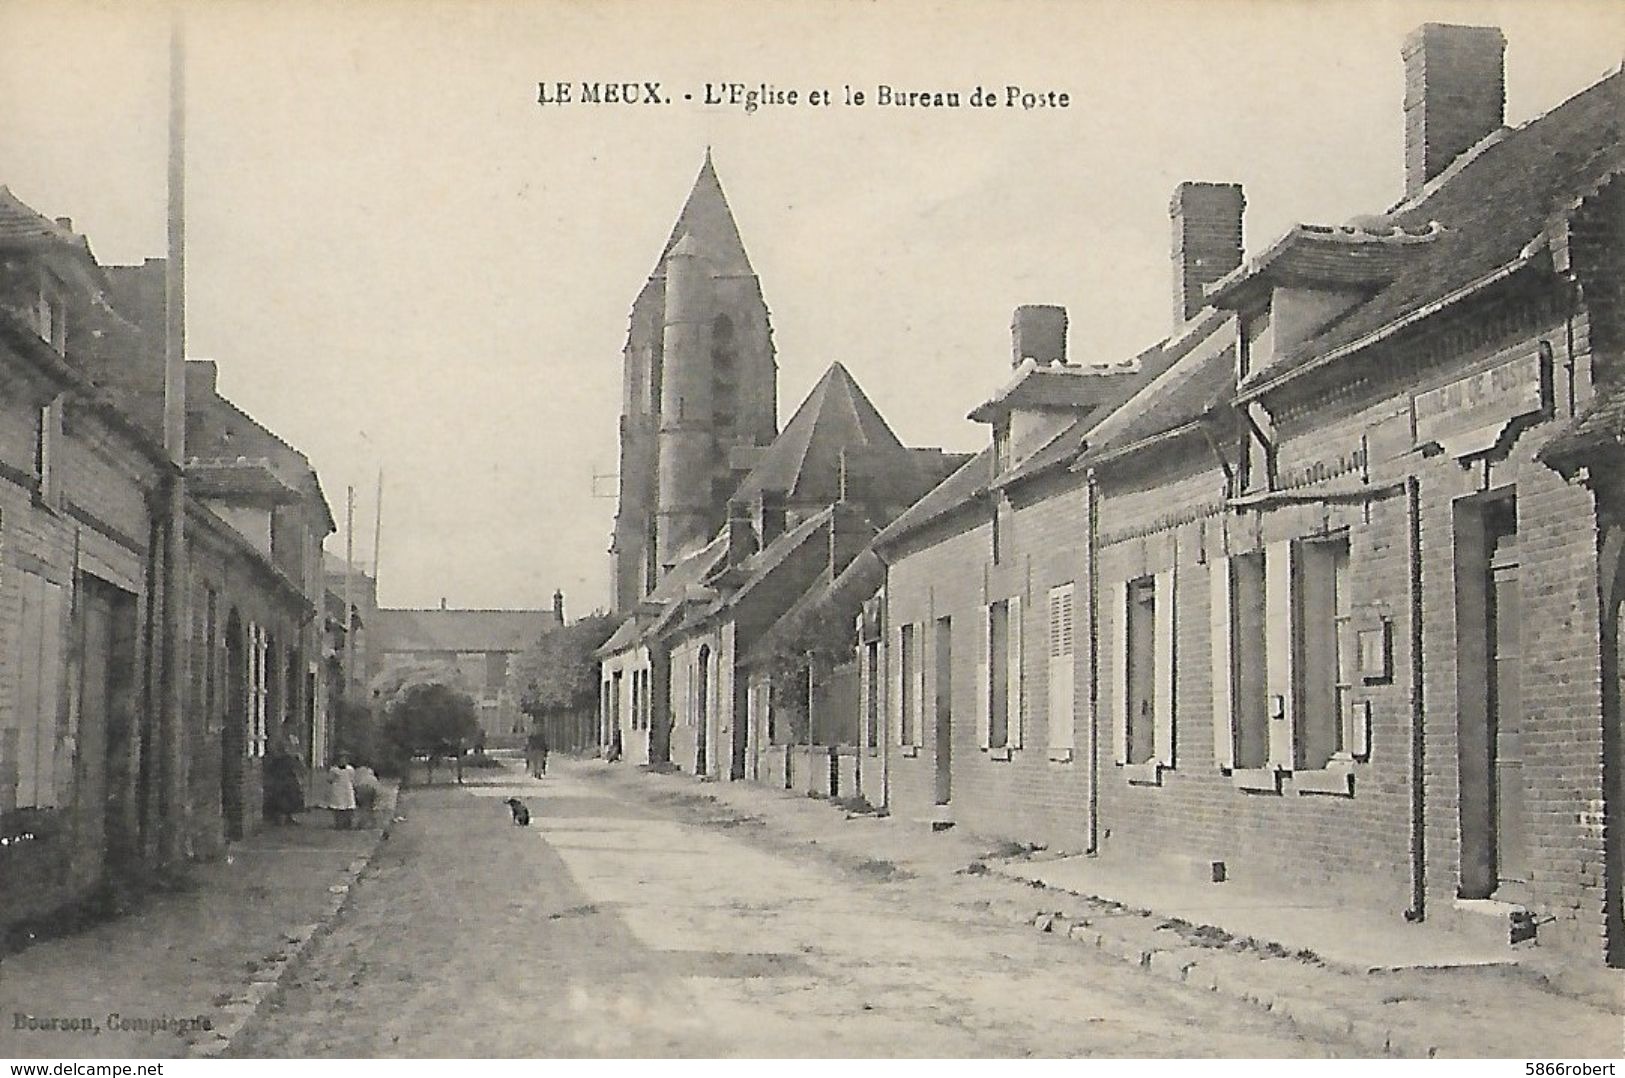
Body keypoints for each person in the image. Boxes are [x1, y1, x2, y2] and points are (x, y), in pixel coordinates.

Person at [266, 722, 305, 825]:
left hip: (290, 769)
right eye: (289, 727)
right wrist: (287, 754)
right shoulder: (279, 739)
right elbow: (275, 752)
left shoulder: (293, 739)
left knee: (292, 792)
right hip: (281, 768)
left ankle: (289, 816)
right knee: (281, 793)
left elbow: (297, 751)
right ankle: (280, 817)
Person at [328, 753, 357, 830]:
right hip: (338, 789)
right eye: (341, 759)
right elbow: (330, 779)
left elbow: (352, 779)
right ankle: (338, 824)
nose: (342, 761)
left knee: (349, 806)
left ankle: (348, 824)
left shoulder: (350, 769)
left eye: (344, 759)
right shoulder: (334, 770)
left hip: (347, 789)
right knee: (338, 807)